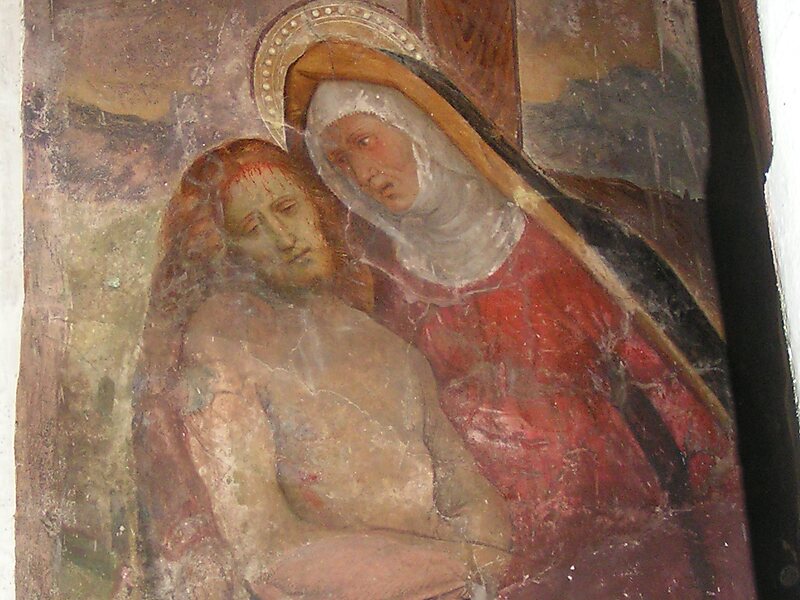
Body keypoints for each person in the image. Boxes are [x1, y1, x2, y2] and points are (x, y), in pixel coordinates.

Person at [282, 40, 756, 599]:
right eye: (340, 161)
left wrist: (726, 537)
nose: (362, 172)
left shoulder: (565, 243)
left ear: (418, 125)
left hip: (617, 534)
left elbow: (678, 394)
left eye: (365, 141)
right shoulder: (386, 287)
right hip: (485, 554)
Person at [133, 138, 512, 599]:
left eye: (287, 208)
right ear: (226, 250)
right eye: (252, 227)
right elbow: (264, 547)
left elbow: (472, 499)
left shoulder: (391, 349)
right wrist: (458, 566)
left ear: (317, 207)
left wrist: (471, 564)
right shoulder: (223, 338)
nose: (284, 237)